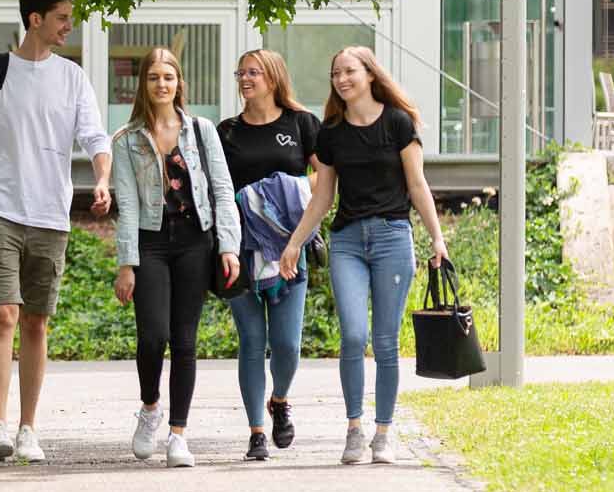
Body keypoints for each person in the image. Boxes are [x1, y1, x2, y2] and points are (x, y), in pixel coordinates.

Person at [0, 0, 112, 465]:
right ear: (35, 19)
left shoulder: (72, 77)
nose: (69, 26)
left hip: (50, 213)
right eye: (62, 17)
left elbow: (95, 137)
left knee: (36, 322)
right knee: (4, 315)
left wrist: (101, 180)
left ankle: (28, 428)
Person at [280, 46, 447, 465]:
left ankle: (384, 434)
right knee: (354, 336)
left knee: (387, 342)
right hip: (349, 242)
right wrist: (296, 242)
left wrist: (437, 239)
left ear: (370, 75)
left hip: (393, 238)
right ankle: (354, 429)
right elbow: (322, 197)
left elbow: (418, 185)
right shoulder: (331, 134)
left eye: (350, 71)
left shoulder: (398, 123)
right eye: (336, 72)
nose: (342, 79)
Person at [110, 48, 240, 468]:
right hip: (150, 244)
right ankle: (150, 408)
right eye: (153, 77)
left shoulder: (201, 131)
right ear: (144, 85)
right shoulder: (127, 141)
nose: (161, 84)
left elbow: (222, 190)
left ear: (179, 83)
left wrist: (228, 246)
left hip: (194, 242)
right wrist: (126, 263)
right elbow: (127, 205)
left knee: (185, 340)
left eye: (168, 77)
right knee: (152, 337)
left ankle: (179, 435)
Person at [217, 49, 321, 461]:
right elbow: (219, 190)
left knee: (286, 344)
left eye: (253, 72)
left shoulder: (302, 124)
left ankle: (279, 400)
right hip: (241, 250)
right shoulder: (227, 132)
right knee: (251, 340)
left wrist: (286, 192)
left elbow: (325, 177)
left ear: (273, 77)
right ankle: (256, 431)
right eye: (240, 72)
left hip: (289, 247)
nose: (245, 78)